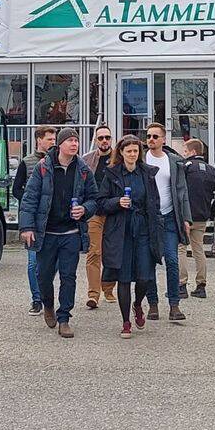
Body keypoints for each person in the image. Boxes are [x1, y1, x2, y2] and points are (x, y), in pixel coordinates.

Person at [19, 128, 97, 337]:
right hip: (47, 233)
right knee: (43, 276)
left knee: (68, 276)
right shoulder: (43, 167)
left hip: (71, 232)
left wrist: (85, 209)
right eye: (70, 140)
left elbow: (94, 199)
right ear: (60, 144)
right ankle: (48, 305)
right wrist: (27, 227)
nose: (74, 144)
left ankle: (64, 318)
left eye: (77, 141)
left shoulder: (83, 170)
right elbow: (30, 198)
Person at [96, 135, 161, 339]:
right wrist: (117, 202)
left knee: (144, 276)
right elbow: (101, 202)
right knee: (123, 278)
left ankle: (138, 304)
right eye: (129, 151)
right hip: (120, 231)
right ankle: (125, 321)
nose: (133, 154)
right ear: (121, 153)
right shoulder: (112, 174)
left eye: (135, 151)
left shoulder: (147, 174)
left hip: (143, 229)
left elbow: (155, 202)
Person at [140, 123, 192, 323]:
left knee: (172, 259)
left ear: (163, 139)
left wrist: (186, 218)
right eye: (148, 136)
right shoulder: (141, 159)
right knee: (149, 262)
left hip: (170, 217)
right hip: (148, 218)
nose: (151, 139)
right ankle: (152, 303)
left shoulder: (174, 162)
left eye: (155, 136)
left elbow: (182, 191)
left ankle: (174, 304)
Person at [12, 125, 57, 315]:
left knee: (51, 263)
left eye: (55, 140)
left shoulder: (58, 162)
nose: (53, 143)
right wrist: (31, 202)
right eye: (49, 139)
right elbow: (16, 189)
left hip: (52, 220)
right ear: (39, 140)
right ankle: (37, 299)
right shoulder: (27, 162)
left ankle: (45, 293)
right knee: (33, 262)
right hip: (34, 220)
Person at [178, 138, 215, 298]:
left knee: (181, 248)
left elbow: (177, 190)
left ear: (192, 152)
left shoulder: (184, 168)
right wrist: (211, 212)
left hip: (185, 215)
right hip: (202, 217)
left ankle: (181, 285)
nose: (183, 154)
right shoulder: (212, 170)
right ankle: (201, 285)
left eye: (185, 151)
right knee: (198, 249)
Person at [80, 125, 115, 308]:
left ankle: (108, 289)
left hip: (114, 212)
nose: (104, 141)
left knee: (112, 252)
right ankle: (93, 294)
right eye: (100, 138)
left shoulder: (119, 158)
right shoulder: (87, 160)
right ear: (96, 139)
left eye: (107, 137)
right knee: (94, 252)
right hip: (94, 212)